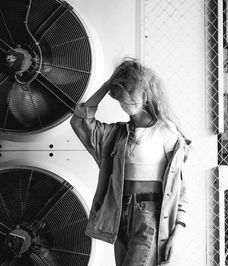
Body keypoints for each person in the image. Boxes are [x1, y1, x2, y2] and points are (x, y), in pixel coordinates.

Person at [70, 58, 191, 265]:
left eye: (131, 91)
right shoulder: (117, 135)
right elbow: (80, 121)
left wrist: (177, 234)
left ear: (146, 91)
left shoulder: (166, 132)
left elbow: (180, 189)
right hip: (120, 214)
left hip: (149, 215)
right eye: (121, 95)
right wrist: (108, 84)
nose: (126, 100)